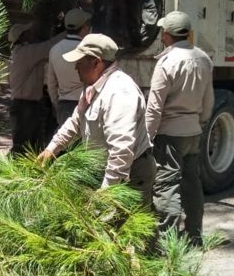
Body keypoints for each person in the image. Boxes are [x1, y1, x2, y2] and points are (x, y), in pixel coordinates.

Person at [38, 34, 155, 207]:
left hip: (129, 176)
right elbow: (76, 121)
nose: (76, 66)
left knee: (126, 232)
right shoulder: (92, 87)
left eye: (80, 61)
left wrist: (106, 193)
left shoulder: (119, 92)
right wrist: (52, 149)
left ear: (96, 62)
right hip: (109, 170)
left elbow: (121, 151)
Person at [146, 11, 214, 245]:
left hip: (169, 134)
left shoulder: (166, 62)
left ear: (166, 35)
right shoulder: (204, 58)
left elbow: (154, 107)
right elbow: (208, 100)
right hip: (193, 131)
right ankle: (195, 235)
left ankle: (168, 242)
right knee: (192, 183)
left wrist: (148, 137)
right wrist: (201, 123)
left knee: (167, 185)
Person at [7, 22, 62, 155]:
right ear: (23, 36)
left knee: (27, 144)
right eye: (28, 32)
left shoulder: (20, 53)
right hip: (26, 107)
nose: (32, 34)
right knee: (24, 146)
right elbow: (48, 47)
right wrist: (70, 31)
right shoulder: (27, 53)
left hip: (23, 105)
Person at [47, 8, 92, 125]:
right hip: (86, 103)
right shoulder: (88, 50)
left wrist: (56, 104)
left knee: (65, 141)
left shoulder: (54, 49)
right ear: (84, 27)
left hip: (64, 105)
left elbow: (51, 83)